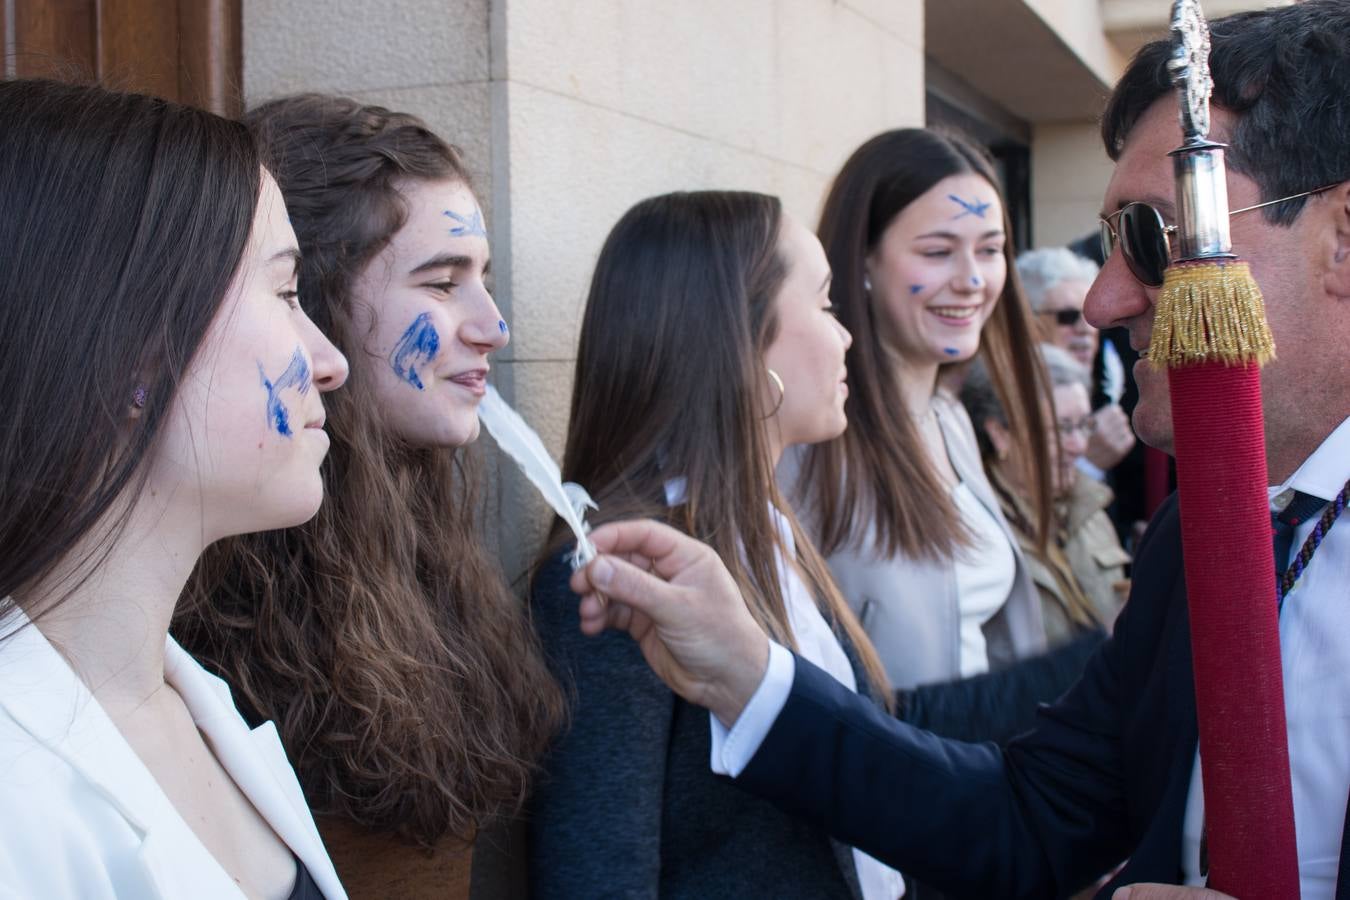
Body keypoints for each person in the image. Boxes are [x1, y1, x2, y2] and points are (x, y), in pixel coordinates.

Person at [562, 2, 1350, 897]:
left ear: (1343, 238)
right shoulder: (1200, 535)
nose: (1102, 302)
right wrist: (748, 674)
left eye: (1154, 240)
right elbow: (1031, 817)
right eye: (937, 249)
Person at [174, 96, 565, 898]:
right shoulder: (214, 591)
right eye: (442, 282)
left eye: (481, 280)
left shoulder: (428, 542)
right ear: (308, 301)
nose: (493, 324)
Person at [0, 79, 349, 898]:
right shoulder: (14, 793)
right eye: (287, 293)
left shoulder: (196, 701)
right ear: (134, 359)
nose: (329, 361)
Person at [528, 191, 905, 899]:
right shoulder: (626, 571)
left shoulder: (763, 524)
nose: (847, 334)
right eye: (825, 304)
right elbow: (599, 875)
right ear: (741, 336)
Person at [785, 128, 1053, 694]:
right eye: (937, 252)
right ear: (862, 260)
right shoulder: (803, 444)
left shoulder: (951, 421)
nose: (972, 281)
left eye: (989, 249)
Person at [961, 344, 1129, 647]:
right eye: (1060, 429)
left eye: (1083, 425)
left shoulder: (1091, 509)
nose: (1079, 445)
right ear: (999, 434)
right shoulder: (974, 533)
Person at [1016, 247, 1136, 483]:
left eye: (1090, 318)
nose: (1084, 330)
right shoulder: (1009, 398)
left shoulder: (1105, 391)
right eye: (1068, 317)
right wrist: (1086, 466)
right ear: (1027, 323)